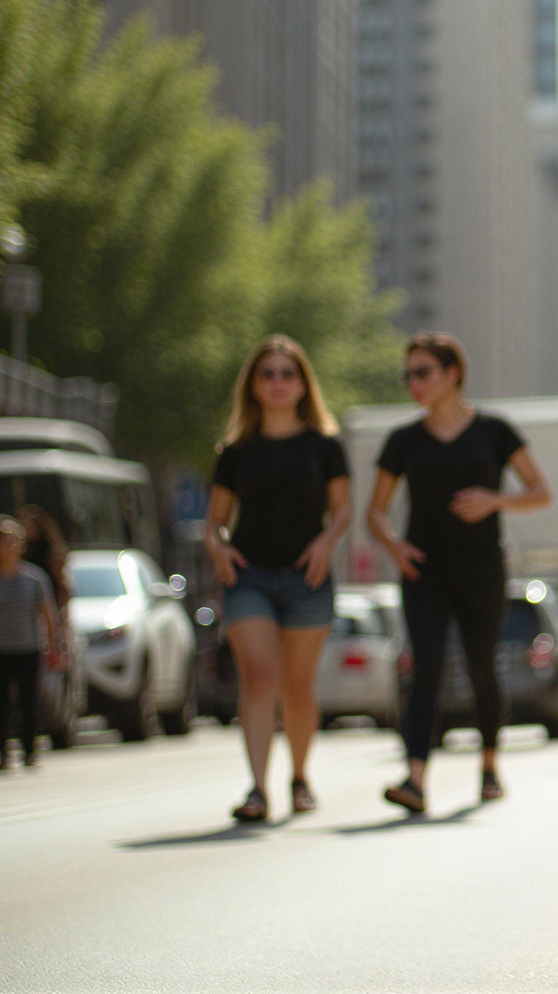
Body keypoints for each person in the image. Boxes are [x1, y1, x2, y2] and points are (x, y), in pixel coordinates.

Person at [368, 332, 552, 814]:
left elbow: (540, 491)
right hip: (423, 572)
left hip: (481, 569)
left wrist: (496, 500)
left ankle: (489, 766)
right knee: (425, 669)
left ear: (452, 374)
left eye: (423, 372)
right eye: (408, 375)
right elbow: (375, 512)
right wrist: (394, 546)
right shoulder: (403, 440)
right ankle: (414, 779)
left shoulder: (495, 431)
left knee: (480, 667)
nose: (414, 383)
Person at [205, 335, 353, 822]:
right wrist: (217, 545)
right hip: (250, 576)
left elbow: (342, 511)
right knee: (259, 677)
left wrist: (325, 543)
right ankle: (257, 789)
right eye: (267, 374)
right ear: (253, 385)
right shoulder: (235, 451)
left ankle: (300, 776)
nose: (277, 382)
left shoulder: (325, 447)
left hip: (307, 577)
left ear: (303, 384)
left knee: (297, 685)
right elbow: (215, 521)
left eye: (287, 374)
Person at [0, 517, 65, 770]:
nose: (10, 547)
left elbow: (48, 615)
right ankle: (2, 754)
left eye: (14, 542)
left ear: (21, 546)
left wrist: (54, 647)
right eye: (4, 542)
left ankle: (29, 751)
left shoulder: (35, 578)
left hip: (28, 648)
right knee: (0, 703)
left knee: (28, 702)